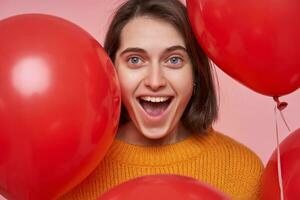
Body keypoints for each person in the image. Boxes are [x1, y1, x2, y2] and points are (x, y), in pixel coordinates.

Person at [59, 0, 263, 199]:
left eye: (174, 60)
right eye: (135, 60)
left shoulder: (243, 170)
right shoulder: (76, 174)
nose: (155, 81)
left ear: (196, 73)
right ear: (113, 71)